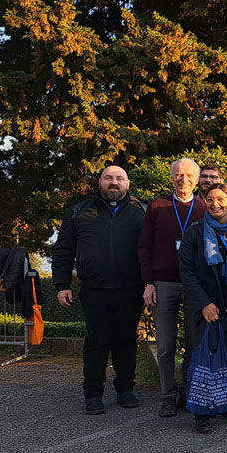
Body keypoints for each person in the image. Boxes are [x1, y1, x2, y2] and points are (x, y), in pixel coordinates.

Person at [52, 165, 146, 414]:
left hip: (131, 289)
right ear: (99, 183)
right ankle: (93, 394)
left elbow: (152, 250)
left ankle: (125, 390)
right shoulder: (79, 211)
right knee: (96, 342)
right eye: (108, 178)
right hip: (94, 289)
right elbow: (63, 251)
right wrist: (62, 285)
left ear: (128, 183)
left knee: (126, 341)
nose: (114, 183)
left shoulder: (143, 211)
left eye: (119, 178)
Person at [178, 183, 227, 434]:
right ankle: (201, 412)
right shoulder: (196, 231)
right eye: (209, 200)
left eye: (221, 199)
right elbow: (186, 272)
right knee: (203, 358)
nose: (215, 204)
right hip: (205, 305)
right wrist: (204, 303)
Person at [137, 158, 206, 417]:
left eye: (189, 175)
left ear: (197, 180)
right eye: (178, 174)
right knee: (165, 344)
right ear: (171, 178)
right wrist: (147, 283)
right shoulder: (157, 206)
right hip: (164, 282)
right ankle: (168, 394)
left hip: (194, 284)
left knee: (193, 342)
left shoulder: (203, 207)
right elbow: (144, 247)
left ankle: (188, 392)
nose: (183, 179)